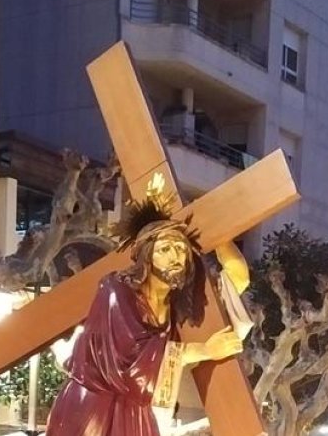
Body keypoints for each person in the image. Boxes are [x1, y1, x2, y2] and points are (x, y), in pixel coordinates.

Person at [45, 181, 252, 436]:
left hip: (136, 410)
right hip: (93, 407)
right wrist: (204, 350)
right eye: (164, 249)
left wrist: (219, 236)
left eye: (180, 249)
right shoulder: (115, 290)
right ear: (146, 256)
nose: (175, 256)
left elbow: (238, 279)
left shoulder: (177, 306)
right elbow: (127, 360)